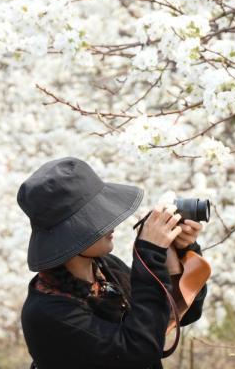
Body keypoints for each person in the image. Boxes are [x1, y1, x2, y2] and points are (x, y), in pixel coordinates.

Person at [17, 157, 208, 369]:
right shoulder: (46, 314)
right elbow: (139, 351)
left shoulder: (107, 268)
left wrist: (180, 251)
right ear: (71, 233)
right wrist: (149, 255)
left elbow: (176, 315)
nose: (112, 222)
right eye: (97, 217)